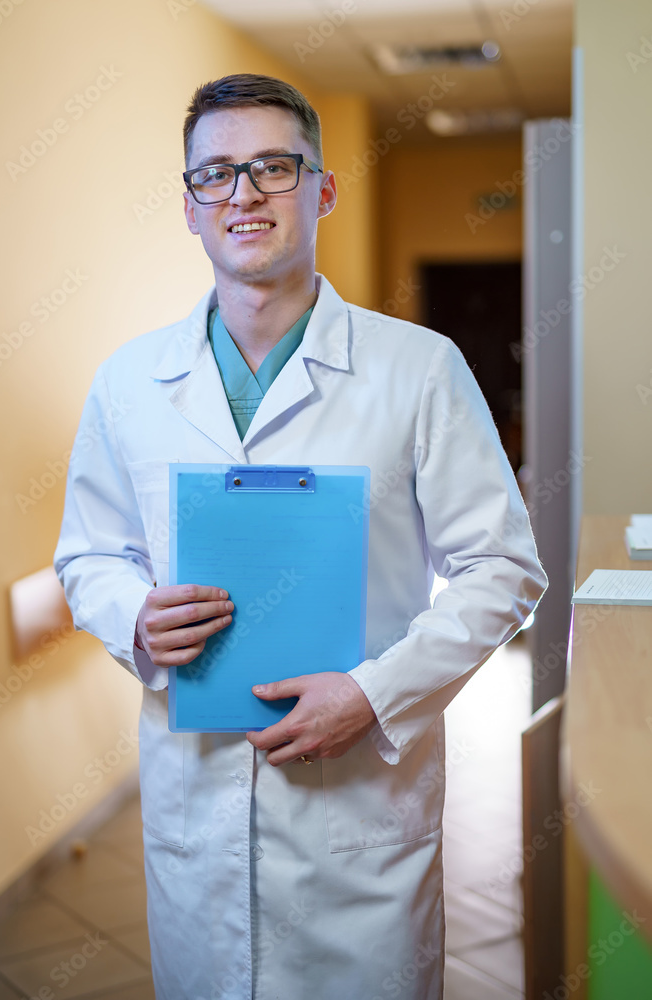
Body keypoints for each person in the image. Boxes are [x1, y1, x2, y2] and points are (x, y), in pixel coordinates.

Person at [54, 73, 547, 1000]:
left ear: (321, 190)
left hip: (360, 817)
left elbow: (502, 569)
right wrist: (133, 622)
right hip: (193, 807)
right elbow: (89, 553)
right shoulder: (128, 383)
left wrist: (372, 694)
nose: (243, 195)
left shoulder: (419, 369)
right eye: (217, 175)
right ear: (190, 206)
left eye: (273, 168)